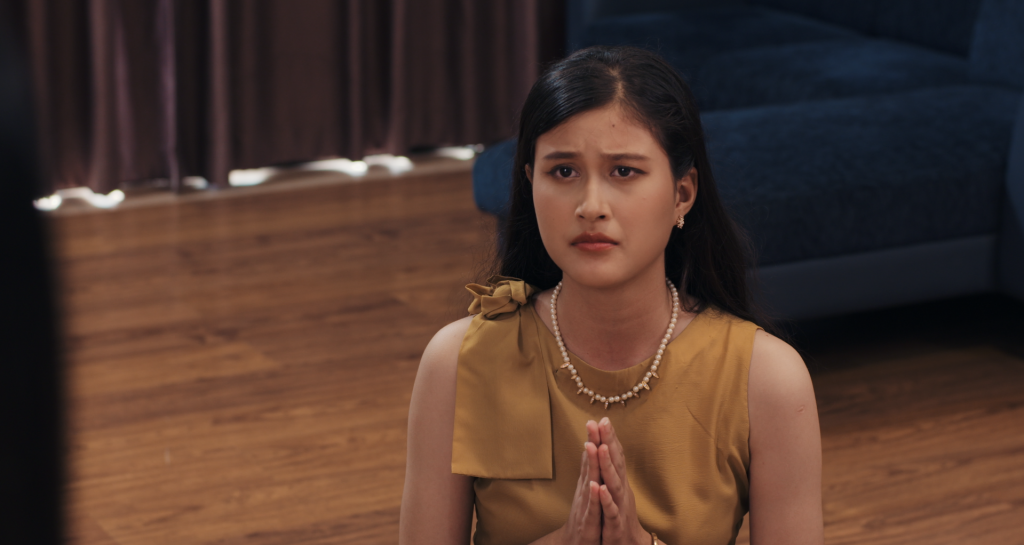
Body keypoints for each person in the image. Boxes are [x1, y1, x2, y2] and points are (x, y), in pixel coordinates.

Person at [399, 46, 823, 545]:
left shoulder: (767, 379)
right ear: (530, 184)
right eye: (563, 171)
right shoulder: (457, 362)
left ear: (683, 194)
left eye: (624, 171)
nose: (591, 206)